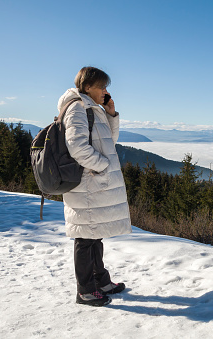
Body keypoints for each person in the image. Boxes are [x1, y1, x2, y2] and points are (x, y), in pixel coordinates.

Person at [58, 66, 132, 307]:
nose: (105, 91)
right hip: (86, 184)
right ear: (87, 86)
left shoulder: (92, 108)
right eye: (102, 87)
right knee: (84, 239)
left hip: (92, 184)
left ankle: (100, 280)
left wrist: (110, 114)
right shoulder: (77, 108)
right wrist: (101, 166)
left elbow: (109, 141)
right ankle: (85, 290)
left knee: (94, 235)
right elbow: (77, 146)